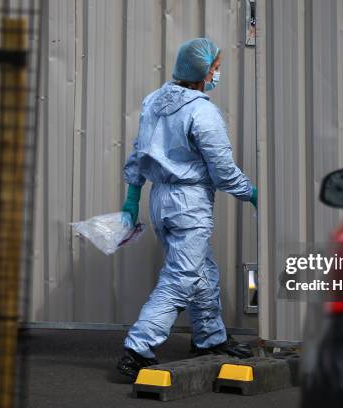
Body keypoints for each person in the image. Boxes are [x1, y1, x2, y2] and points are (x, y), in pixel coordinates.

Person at [116, 38, 258, 381]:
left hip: (159, 200)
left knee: (201, 270)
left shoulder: (154, 101)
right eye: (215, 67)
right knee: (181, 278)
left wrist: (132, 199)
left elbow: (139, 154)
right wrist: (251, 193)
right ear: (202, 71)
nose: (217, 73)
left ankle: (210, 338)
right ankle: (137, 348)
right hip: (188, 203)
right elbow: (222, 171)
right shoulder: (202, 111)